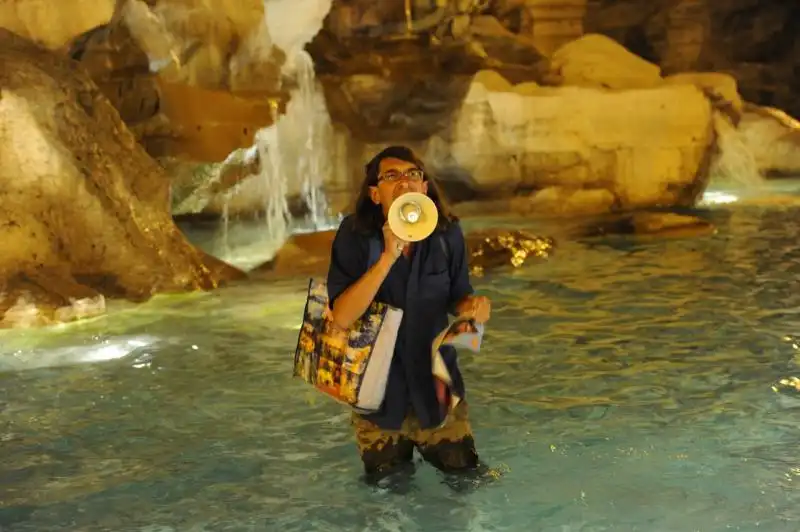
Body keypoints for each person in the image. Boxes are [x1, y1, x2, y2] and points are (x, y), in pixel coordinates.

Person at [326, 145, 492, 484]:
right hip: (377, 398)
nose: (404, 181)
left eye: (413, 174)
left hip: (437, 392)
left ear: (425, 188)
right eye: (391, 176)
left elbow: (458, 295)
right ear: (375, 194)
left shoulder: (447, 235)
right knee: (389, 491)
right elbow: (342, 317)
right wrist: (388, 256)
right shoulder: (355, 238)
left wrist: (472, 308)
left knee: (467, 481)